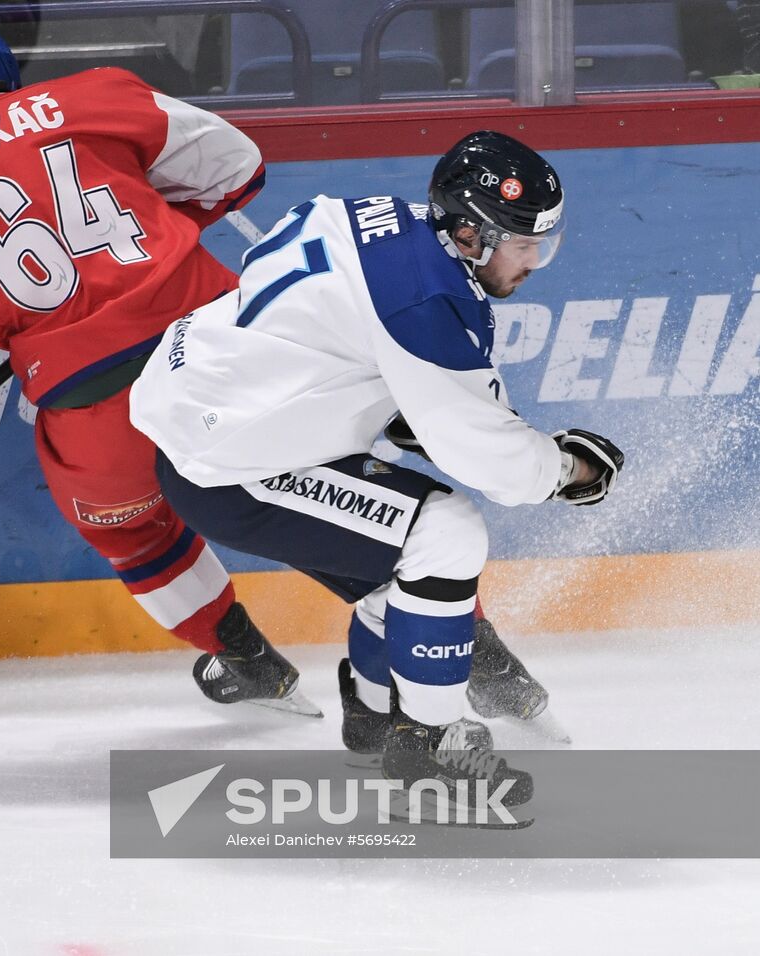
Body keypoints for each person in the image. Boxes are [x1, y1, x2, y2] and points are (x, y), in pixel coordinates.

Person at [128, 131, 625, 792]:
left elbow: (323, 330)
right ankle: (428, 752)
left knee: (407, 580)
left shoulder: (379, 217)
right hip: (232, 464)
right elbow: (494, 461)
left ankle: (373, 719)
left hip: (209, 420)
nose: (534, 261)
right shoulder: (427, 299)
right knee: (446, 535)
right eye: (523, 243)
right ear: (471, 237)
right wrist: (567, 470)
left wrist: (399, 412)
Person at [0, 23, 315, 710]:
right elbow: (236, 165)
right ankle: (429, 617)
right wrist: (149, 240)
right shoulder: (98, 95)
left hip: (92, 401)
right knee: (320, 475)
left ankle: (245, 658)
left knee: (132, 530)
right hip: (218, 337)